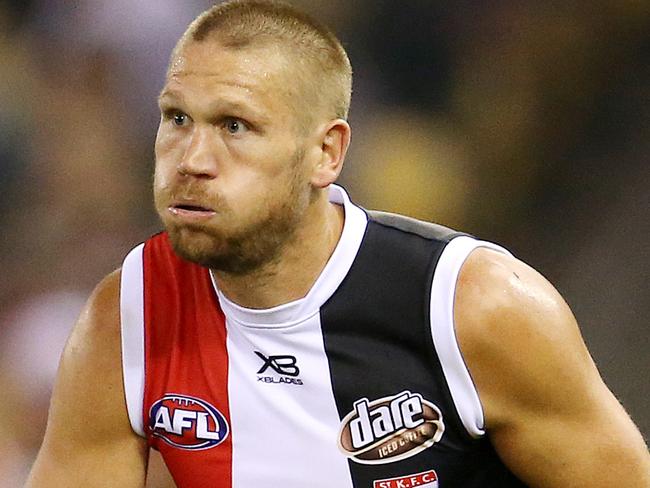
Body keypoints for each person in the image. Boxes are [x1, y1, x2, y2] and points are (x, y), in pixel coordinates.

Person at [26, 1, 649, 487]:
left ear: (326, 153)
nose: (192, 159)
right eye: (177, 118)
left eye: (235, 126)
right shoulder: (128, 319)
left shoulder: (472, 308)